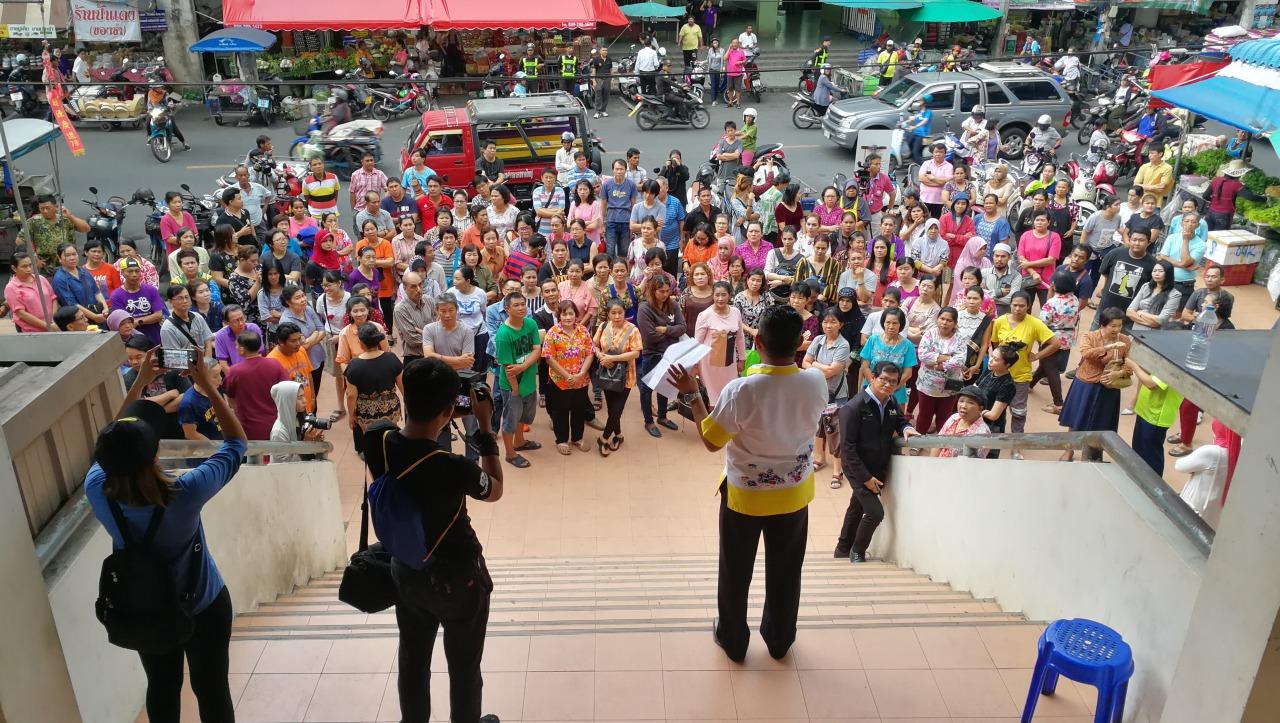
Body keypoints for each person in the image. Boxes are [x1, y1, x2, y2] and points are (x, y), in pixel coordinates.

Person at [85, 346, 247, 723]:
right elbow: (236, 444)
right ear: (156, 455)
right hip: (202, 603)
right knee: (212, 689)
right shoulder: (185, 491)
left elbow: (108, 445)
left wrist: (139, 383)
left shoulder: (97, 489)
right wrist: (207, 385)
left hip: (145, 606)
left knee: (161, 686)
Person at [667, 303, 828, 661]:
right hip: (793, 495)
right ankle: (780, 639)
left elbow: (712, 441)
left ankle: (734, 640)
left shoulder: (741, 390)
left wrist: (693, 394)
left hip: (745, 497)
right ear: (799, 343)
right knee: (787, 572)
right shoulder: (816, 382)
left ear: (758, 342)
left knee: (735, 572)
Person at [364, 357, 504, 723]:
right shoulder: (453, 466)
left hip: (406, 568)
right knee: (464, 667)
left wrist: (442, 413)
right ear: (448, 409)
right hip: (458, 577)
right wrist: (485, 427)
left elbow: (411, 435)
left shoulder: (379, 440)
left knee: (412, 659)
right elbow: (495, 490)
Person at [836, 359, 920, 562]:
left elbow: (900, 420)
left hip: (878, 466)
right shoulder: (853, 408)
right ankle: (857, 551)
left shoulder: (891, 402)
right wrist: (865, 478)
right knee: (875, 513)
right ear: (872, 378)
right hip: (857, 469)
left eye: (893, 381)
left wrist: (907, 428)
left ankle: (842, 550)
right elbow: (847, 449)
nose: (888, 384)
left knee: (856, 507)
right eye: (884, 379)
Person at [1057, 306, 1130, 459]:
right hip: (1086, 383)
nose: (1117, 329)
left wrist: (1119, 373)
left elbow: (1129, 365)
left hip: (1109, 386)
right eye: (1113, 326)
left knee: (1102, 422)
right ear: (1103, 324)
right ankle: (1069, 449)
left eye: (1120, 325)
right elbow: (1086, 353)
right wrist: (1108, 347)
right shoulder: (1089, 336)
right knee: (1076, 419)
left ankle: (1095, 454)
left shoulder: (1125, 341)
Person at [992, 291, 1060, 441]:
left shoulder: (1035, 324)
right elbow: (995, 343)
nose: (1017, 309)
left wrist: (1037, 356)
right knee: (996, 410)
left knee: (1018, 412)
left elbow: (1055, 343)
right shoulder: (1000, 321)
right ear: (1010, 304)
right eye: (1015, 305)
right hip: (1000, 374)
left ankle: (1016, 443)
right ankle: (996, 441)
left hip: (1021, 376)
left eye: (1022, 306)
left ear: (1028, 306)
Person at [804, 309, 852, 488]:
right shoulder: (817, 340)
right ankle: (820, 458)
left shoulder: (843, 345)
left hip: (836, 395)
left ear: (841, 324)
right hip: (817, 392)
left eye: (833, 322)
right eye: (825, 322)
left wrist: (815, 364)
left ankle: (837, 470)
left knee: (835, 431)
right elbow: (804, 362)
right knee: (818, 427)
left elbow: (832, 371)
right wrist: (821, 367)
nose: (828, 325)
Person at [494, 292, 542, 467]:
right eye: (516, 305)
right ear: (507, 309)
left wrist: (522, 367)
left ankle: (520, 442)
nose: (521, 308)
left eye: (523, 304)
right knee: (510, 420)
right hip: (512, 385)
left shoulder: (530, 324)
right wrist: (514, 389)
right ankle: (510, 454)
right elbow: (508, 368)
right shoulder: (503, 334)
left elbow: (537, 349)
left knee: (525, 415)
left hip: (528, 381)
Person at [637, 275, 686, 437]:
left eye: (667, 291)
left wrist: (665, 329)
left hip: (669, 353)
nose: (665, 294)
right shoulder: (644, 308)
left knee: (664, 385)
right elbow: (650, 336)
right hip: (652, 354)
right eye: (661, 291)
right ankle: (648, 421)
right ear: (653, 290)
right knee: (647, 388)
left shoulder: (672, 304)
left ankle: (663, 417)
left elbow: (682, 327)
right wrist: (672, 332)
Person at [110, 257, 167, 345]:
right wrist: (148, 319)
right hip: (132, 342)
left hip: (155, 337)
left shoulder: (151, 290)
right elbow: (122, 322)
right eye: (130, 271)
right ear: (122, 273)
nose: (134, 274)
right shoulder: (116, 296)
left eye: (137, 271)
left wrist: (137, 321)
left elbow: (158, 315)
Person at [1158, 211, 1206, 313]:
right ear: (1181, 223)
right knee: (1158, 310)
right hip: (1166, 280)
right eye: (1187, 221)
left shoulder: (1201, 244)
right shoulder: (1172, 238)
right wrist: (1182, 265)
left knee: (1177, 314)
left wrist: (1185, 240)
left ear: (1198, 225)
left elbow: (1185, 262)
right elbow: (1162, 257)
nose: (1189, 224)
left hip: (1183, 285)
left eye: (1193, 222)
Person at [52, 243, 107, 326]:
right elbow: (73, 305)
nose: (72, 258)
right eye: (67, 255)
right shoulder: (60, 279)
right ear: (59, 258)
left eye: (74, 254)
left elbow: (96, 292)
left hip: (98, 314)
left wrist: (105, 308)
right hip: (79, 322)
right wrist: (94, 317)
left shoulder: (84, 271)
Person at [930, 385, 990, 458]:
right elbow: (938, 443)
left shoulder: (982, 433)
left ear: (980, 408)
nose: (963, 406)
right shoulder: (954, 417)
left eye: (970, 403)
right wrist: (933, 462)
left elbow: (973, 462)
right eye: (961, 401)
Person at [1126, 259, 1180, 331]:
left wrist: (1141, 313)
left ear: (1168, 273)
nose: (1156, 273)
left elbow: (1161, 320)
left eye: (1161, 271)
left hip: (1155, 333)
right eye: (1154, 271)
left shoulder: (1175, 294)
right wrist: (1151, 323)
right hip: (1136, 330)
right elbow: (1129, 311)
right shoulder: (1146, 286)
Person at [1207, 159, 1255, 231]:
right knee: (1220, 236)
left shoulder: (1216, 180)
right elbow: (1250, 197)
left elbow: (1205, 196)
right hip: (1224, 215)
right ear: (1239, 174)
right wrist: (1265, 199)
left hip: (1210, 212)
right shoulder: (1236, 185)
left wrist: (1216, 200)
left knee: (1208, 234)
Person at [1133, 143, 1174, 208]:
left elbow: (1161, 188)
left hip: (1156, 203)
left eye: (1152, 153)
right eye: (1149, 153)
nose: (1149, 156)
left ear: (1160, 154)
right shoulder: (1144, 167)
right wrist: (1153, 187)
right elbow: (1135, 185)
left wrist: (1143, 186)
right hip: (1142, 201)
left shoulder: (1167, 168)